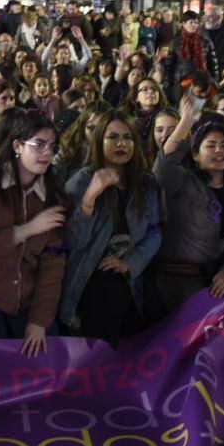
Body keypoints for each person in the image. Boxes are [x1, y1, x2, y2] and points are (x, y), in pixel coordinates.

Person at [0, 110, 67, 355]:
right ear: (17, 146)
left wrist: (39, 320)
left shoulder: (54, 198)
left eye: (52, 146)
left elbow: (53, 266)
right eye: (38, 145)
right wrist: (27, 230)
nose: (47, 152)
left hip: (28, 301)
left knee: (44, 360)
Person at [60, 110, 161, 344]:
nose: (121, 143)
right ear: (99, 141)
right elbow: (72, 242)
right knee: (107, 294)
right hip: (89, 276)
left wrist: (129, 263)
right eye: (112, 137)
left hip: (128, 273)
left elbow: (154, 234)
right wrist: (89, 200)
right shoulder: (82, 180)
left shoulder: (145, 183)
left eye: (127, 137)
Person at [149, 96, 224, 319]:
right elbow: (162, 168)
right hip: (178, 277)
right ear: (195, 155)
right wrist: (185, 121)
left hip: (217, 277)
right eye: (211, 145)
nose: (219, 151)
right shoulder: (183, 181)